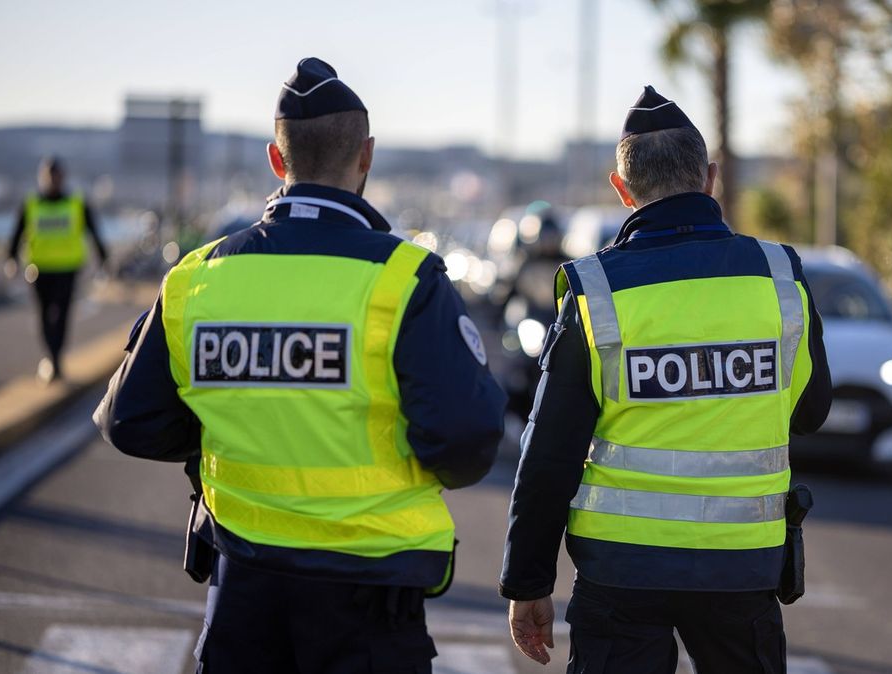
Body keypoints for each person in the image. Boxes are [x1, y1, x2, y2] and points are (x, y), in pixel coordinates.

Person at [94, 58, 506, 673]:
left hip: (242, 595)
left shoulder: (195, 279)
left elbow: (132, 420)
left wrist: (231, 429)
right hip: (369, 601)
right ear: (366, 156)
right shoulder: (404, 279)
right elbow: (467, 442)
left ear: (276, 159)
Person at [499, 86, 832, 673]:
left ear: (622, 190)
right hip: (742, 570)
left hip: (621, 572)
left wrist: (528, 581)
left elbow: (549, 452)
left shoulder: (596, 290)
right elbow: (811, 411)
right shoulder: (780, 276)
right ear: (710, 178)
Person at [5, 156, 109, 383]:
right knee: (44, 315)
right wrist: (11, 258)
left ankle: (55, 359)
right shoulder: (31, 203)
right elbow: (18, 232)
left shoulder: (77, 202)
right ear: (42, 177)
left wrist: (103, 257)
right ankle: (52, 357)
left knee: (61, 315)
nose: (53, 180)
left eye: (56, 175)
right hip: (39, 269)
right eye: (49, 175)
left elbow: (94, 231)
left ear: (63, 177)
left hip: (67, 269)